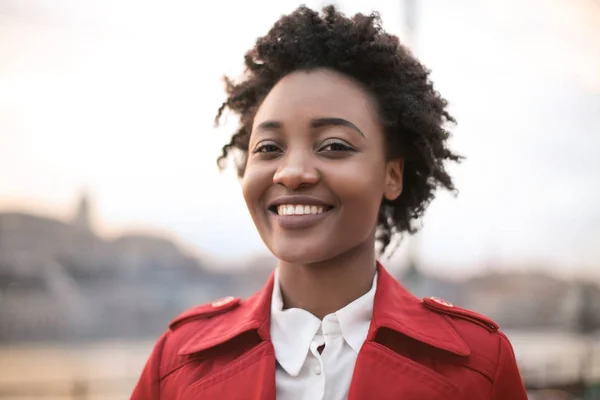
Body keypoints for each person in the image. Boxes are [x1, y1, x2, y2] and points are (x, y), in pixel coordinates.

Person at [131, 5, 528, 400]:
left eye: (334, 146)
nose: (291, 172)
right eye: (268, 147)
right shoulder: (176, 366)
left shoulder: (479, 368)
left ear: (392, 175)